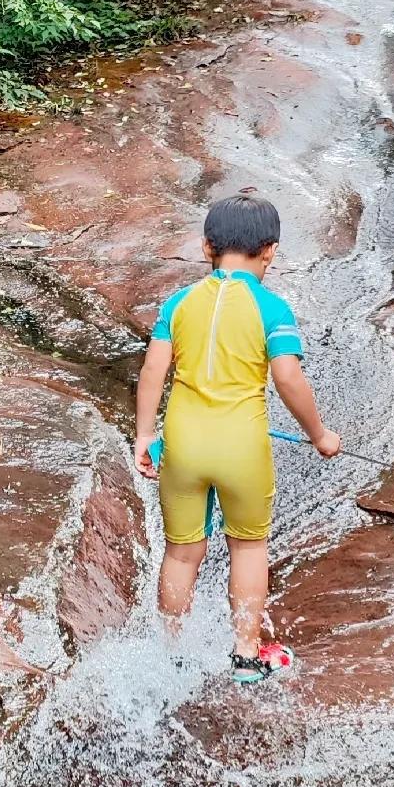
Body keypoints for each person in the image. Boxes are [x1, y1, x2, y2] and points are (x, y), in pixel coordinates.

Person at [132, 191, 341, 685]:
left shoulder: (179, 302)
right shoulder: (270, 307)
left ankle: (171, 654)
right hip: (242, 446)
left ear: (207, 247)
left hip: (182, 445)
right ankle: (246, 654)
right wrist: (319, 434)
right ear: (269, 251)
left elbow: (153, 370)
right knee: (248, 546)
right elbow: (287, 376)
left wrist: (144, 436)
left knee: (181, 551)